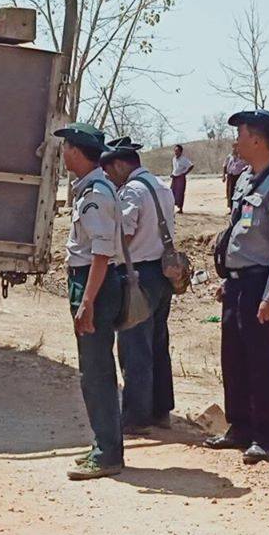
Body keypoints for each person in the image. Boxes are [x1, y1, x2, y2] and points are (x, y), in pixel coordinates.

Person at [207, 109, 269, 465]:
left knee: (262, 362)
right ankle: (240, 427)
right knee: (233, 358)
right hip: (238, 284)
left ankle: (266, 436)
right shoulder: (248, 179)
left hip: (262, 283)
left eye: (241, 135)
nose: (236, 142)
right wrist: (228, 278)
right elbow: (241, 232)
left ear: (258, 140)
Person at [54, 122, 125, 481]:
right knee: (93, 370)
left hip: (94, 283)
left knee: (97, 371)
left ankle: (108, 453)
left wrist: (87, 302)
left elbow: (101, 253)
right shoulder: (90, 188)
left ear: (78, 152)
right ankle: (102, 444)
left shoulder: (96, 193)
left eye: (67, 147)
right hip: (90, 281)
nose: (63, 153)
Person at [102, 136, 178, 429]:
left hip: (138, 276)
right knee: (158, 343)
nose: (108, 176)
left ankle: (136, 416)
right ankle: (161, 410)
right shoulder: (161, 187)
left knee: (135, 347)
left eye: (109, 169)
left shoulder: (132, 191)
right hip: (161, 274)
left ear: (121, 165)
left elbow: (125, 234)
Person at [169, 144, 194, 213]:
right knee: (172, 192)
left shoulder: (184, 159)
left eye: (177, 151)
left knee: (180, 193)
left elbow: (191, 166)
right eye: (175, 151)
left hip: (181, 178)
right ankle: (171, 207)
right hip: (174, 177)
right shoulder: (174, 159)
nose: (176, 152)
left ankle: (180, 208)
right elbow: (175, 168)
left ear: (180, 151)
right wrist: (172, 174)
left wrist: (184, 173)